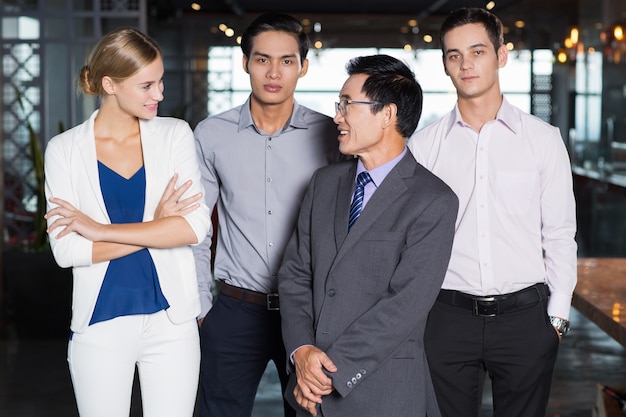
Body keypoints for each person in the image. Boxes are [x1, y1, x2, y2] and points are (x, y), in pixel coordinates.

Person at [407, 7, 577, 417]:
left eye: (477, 51)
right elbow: (409, 241)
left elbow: (559, 234)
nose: (466, 64)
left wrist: (556, 319)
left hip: (526, 322)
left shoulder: (542, 140)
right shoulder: (424, 147)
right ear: (445, 64)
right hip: (446, 319)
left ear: (501, 55)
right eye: (454, 55)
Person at [278, 54, 459, 417]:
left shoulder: (433, 200)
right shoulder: (324, 184)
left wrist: (328, 372)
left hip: (383, 391)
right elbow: (296, 274)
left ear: (387, 115)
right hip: (309, 390)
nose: (337, 116)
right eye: (338, 104)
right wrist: (302, 352)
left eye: (347, 104)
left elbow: (404, 305)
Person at [44, 27, 212, 417]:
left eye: (161, 81)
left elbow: (193, 227)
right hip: (100, 324)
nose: (160, 94)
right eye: (147, 85)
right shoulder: (64, 150)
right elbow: (68, 250)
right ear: (110, 84)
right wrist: (155, 226)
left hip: (172, 322)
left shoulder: (174, 135)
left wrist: (100, 231)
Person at [192, 13, 344, 417]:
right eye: (262, 60)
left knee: (313, 413)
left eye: (286, 61)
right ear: (245, 63)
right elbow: (196, 229)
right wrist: (203, 309)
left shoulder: (332, 136)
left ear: (304, 66)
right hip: (235, 309)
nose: (273, 72)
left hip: (310, 315)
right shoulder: (211, 135)